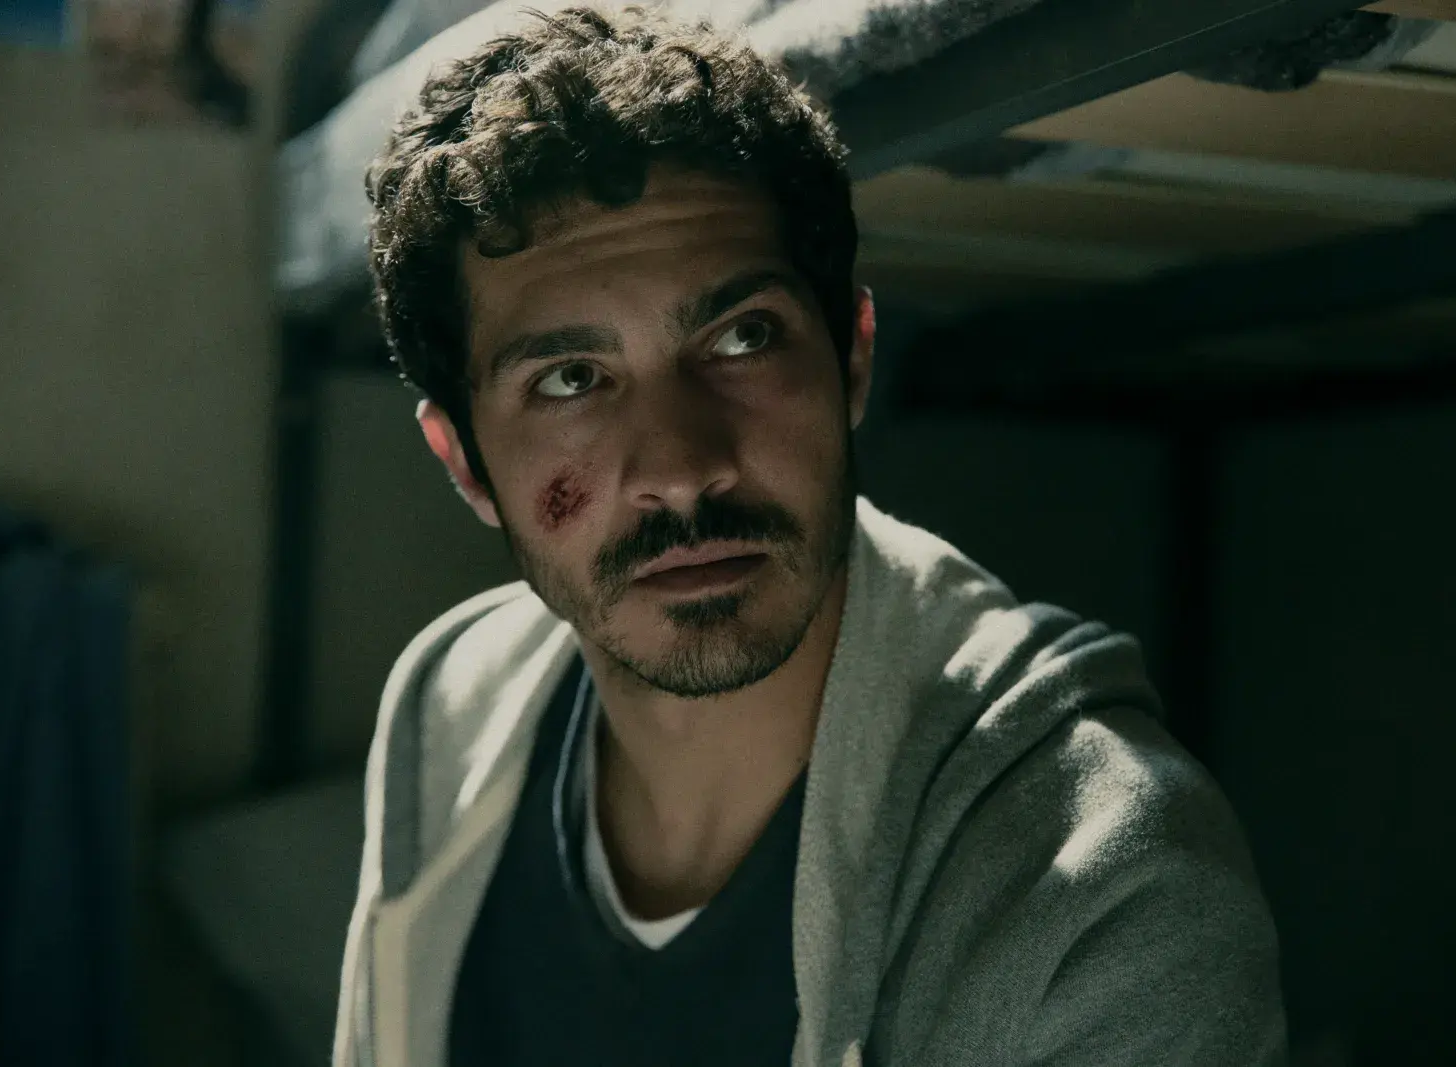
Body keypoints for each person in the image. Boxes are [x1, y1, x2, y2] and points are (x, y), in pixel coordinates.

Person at [334, 6, 1287, 1066]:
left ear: (852, 358)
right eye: (570, 379)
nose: (679, 467)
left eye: (742, 337)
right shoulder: (448, 703)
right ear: (465, 462)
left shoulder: (1110, 894)